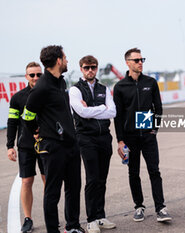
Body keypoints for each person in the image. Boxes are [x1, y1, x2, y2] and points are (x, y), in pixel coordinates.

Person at [23, 45, 83, 233]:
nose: (67, 60)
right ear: (58, 61)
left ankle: (73, 226)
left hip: (71, 144)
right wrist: (36, 131)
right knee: (53, 192)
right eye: (65, 57)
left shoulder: (60, 82)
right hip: (53, 147)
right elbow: (27, 116)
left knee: (74, 188)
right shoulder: (42, 87)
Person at [113, 48, 172, 223]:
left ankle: (161, 208)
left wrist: (154, 129)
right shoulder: (120, 87)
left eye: (142, 59)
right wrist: (120, 140)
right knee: (133, 173)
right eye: (137, 60)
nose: (140, 62)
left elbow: (158, 109)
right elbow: (118, 116)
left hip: (148, 136)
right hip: (130, 138)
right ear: (127, 63)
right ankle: (139, 206)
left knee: (155, 171)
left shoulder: (151, 82)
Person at [69, 55, 116, 233]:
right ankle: (91, 220)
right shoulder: (75, 90)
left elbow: (113, 111)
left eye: (93, 67)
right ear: (81, 69)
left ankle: (100, 216)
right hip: (86, 138)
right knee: (92, 179)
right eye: (87, 67)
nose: (90, 70)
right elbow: (82, 112)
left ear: (97, 68)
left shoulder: (104, 88)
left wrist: (92, 110)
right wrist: (100, 109)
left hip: (104, 137)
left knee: (102, 180)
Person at [6, 61, 45, 233]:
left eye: (39, 74)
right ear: (26, 76)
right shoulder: (17, 97)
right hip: (26, 146)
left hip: (46, 144)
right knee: (27, 181)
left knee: (48, 181)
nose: (36, 77)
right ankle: (28, 219)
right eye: (32, 75)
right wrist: (9, 145)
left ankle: (51, 215)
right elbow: (12, 122)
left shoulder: (50, 93)